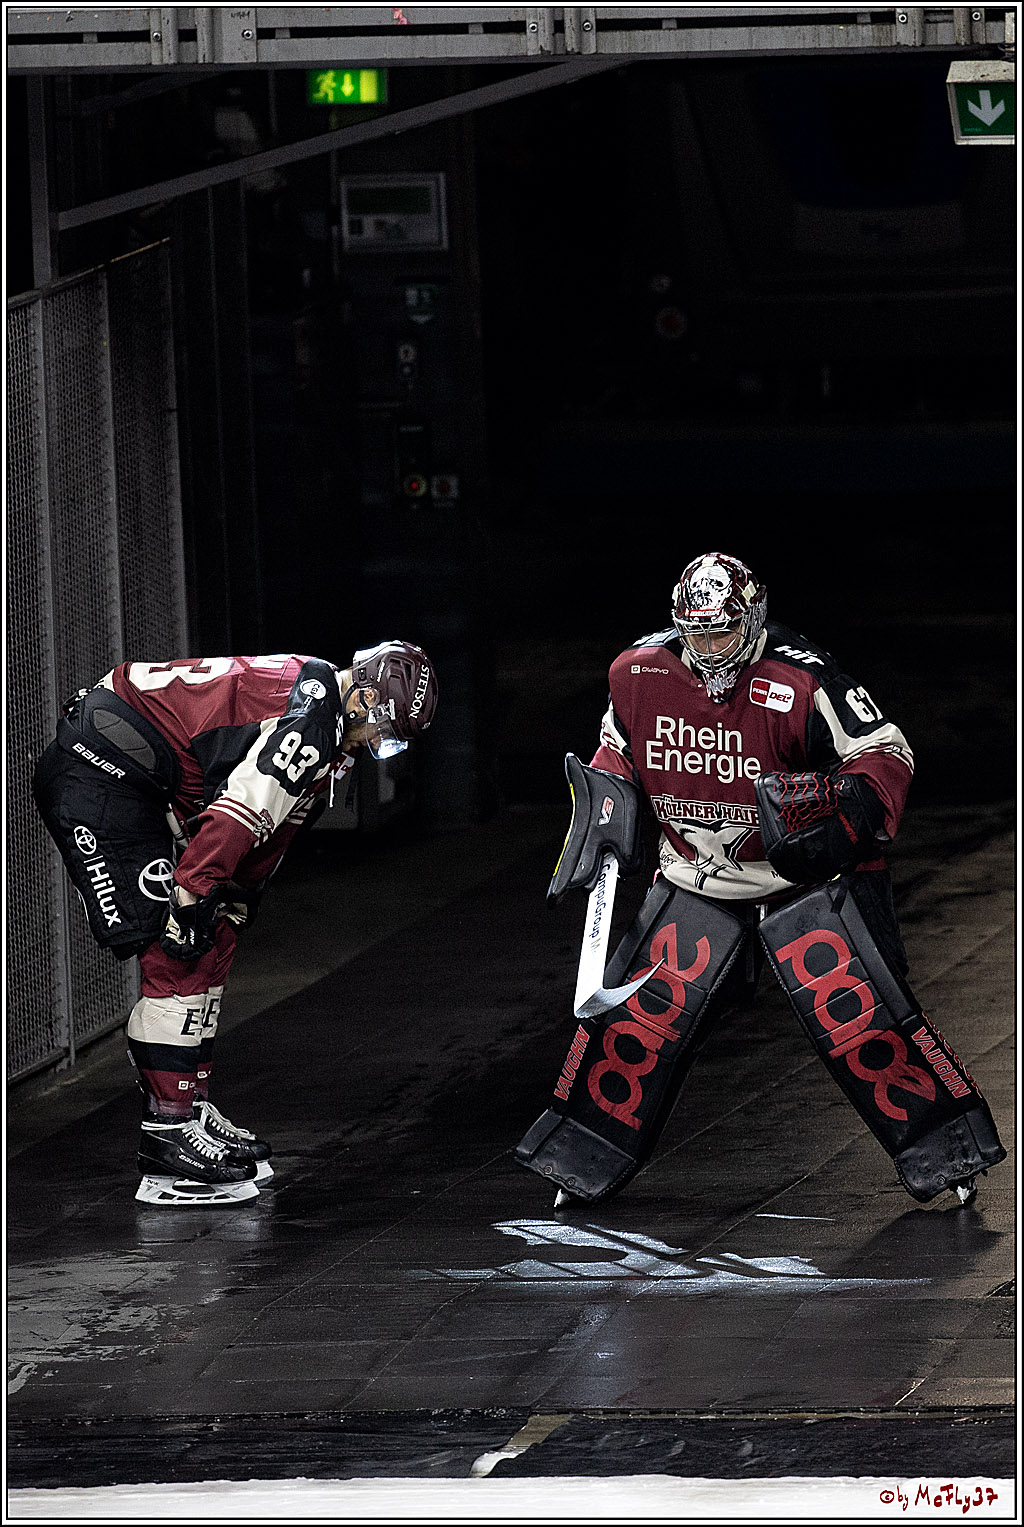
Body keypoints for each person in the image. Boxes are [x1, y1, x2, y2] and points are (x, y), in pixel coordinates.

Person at [517, 551, 1004, 1206]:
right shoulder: (636, 672)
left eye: (723, 631)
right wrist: (605, 806)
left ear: (754, 617)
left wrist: (841, 807)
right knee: (637, 1023)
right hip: (695, 875)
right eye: (697, 633)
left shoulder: (802, 677)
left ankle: (951, 1155)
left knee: (863, 1022)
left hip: (800, 880)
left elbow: (886, 751)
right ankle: (575, 1158)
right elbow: (617, 749)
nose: (712, 649)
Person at [33, 643, 437, 1207]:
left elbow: (278, 821)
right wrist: (195, 889)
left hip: (137, 777)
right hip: (98, 773)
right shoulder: (315, 719)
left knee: (214, 935)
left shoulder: (321, 712)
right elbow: (241, 811)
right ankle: (168, 1136)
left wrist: (239, 894)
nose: (378, 748)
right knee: (174, 944)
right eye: (385, 734)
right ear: (367, 697)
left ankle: (188, 1109)